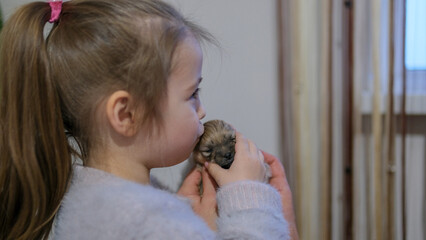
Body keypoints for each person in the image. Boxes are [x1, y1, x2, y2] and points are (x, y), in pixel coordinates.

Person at [0, 0, 298, 239]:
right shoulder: (143, 219)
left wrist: (182, 212)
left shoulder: (93, 199)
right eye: (192, 93)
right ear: (126, 115)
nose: (202, 110)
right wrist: (250, 195)